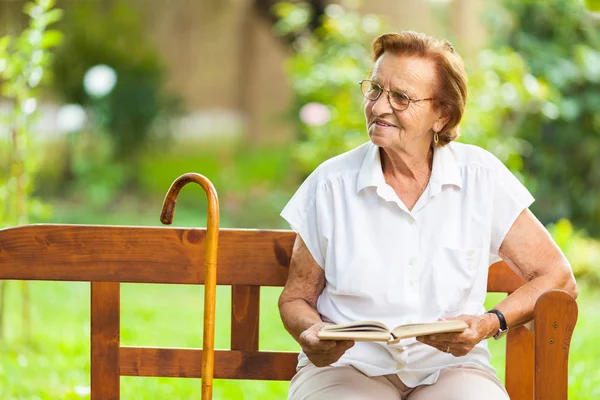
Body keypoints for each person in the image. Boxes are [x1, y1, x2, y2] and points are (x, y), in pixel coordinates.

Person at [278, 31, 578, 400]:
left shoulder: (480, 177)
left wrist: (488, 323)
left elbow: (557, 276)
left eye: (401, 97)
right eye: (374, 89)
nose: (379, 107)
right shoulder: (330, 183)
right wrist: (312, 334)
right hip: (349, 368)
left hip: (451, 369)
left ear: (442, 115)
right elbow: (297, 298)